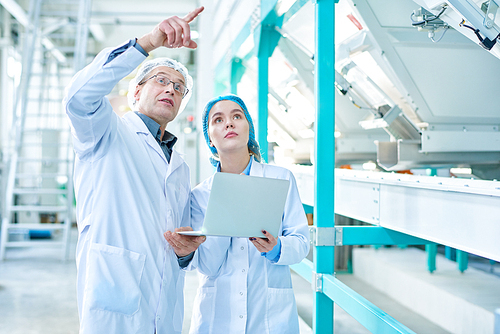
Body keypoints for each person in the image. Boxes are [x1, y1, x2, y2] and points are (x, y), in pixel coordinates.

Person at [63, 7, 206, 334]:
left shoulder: (179, 167)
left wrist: (186, 255)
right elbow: (77, 99)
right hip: (114, 308)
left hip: (165, 313)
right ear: (136, 92)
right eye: (161, 80)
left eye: (179, 87)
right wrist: (149, 42)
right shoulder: (105, 133)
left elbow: (176, 242)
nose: (171, 89)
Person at [171, 94, 310, 334]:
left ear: (249, 130)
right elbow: (207, 265)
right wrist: (227, 205)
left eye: (237, 116)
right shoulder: (200, 195)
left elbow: (301, 243)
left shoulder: (280, 179)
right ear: (210, 140)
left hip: (269, 317)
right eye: (218, 120)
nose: (229, 123)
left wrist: (276, 249)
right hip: (217, 318)